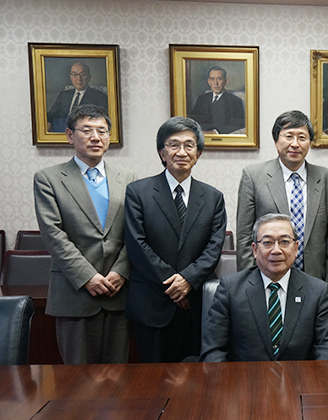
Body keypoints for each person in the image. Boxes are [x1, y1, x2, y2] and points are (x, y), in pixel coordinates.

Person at [33, 104, 134, 364]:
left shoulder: (128, 178)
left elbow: (136, 232)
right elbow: (53, 234)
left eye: (102, 131)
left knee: (119, 379)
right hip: (74, 293)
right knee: (78, 383)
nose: (95, 137)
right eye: (87, 130)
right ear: (69, 135)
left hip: (118, 292)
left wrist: (120, 272)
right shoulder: (49, 179)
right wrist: (88, 276)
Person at [124, 116, 227, 362]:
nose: (182, 151)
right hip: (153, 302)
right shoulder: (138, 192)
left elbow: (214, 247)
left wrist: (188, 281)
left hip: (197, 304)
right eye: (173, 145)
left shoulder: (213, 197)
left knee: (198, 383)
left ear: (198, 153)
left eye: (189, 145)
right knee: (152, 385)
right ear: (162, 152)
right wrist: (174, 285)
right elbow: (137, 245)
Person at [201, 213, 328, 361]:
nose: (276, 250)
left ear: (296, 248)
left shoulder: (317, 291)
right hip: (244, 381)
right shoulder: (230, 289)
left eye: (284, 242)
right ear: (254, 249)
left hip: (300, 381)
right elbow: (213, 352)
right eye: (267, 243)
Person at [236, 110, 328, 299]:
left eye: (302, 137)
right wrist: (250, 283)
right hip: (266, 281)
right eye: (288, 136)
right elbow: (245, 236)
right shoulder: (253, 177)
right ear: (276, 141)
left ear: (310, 142)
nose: (295, 144)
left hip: (314, 283)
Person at [46, 62, 109, 132]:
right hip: (62, 133)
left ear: (89, 77)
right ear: (70, 77)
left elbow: (101, 120)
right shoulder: (64, 95)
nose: (78, 78)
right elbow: (51, 115)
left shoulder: (99, 96)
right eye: (74, 74)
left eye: (83, 74)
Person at [188, 66, 245, 134]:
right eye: (212, 79)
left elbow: (237, 124)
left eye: (219, 79)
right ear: (209, 82)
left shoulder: (235, 100)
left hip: (221, 137)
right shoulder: (202, 98)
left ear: (226, 82)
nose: (215, 83)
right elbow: (193, 119)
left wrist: (215, 132)